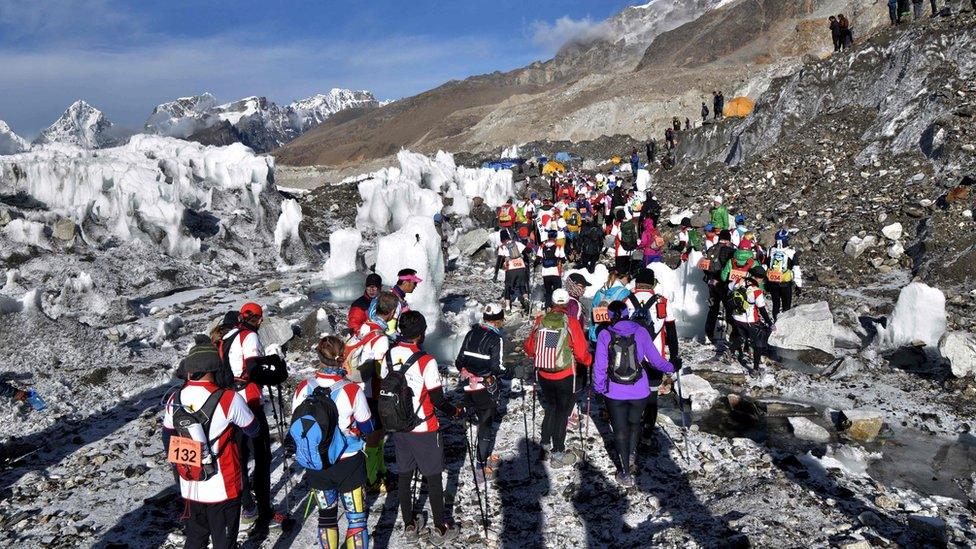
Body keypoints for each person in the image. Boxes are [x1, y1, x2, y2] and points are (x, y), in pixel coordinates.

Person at [163, 337, 260, 549]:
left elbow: (168, 437)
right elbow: (254, 429)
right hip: (223, 486)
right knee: (224, 543)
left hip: (191, 484)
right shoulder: (228, 399)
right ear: (215, 368)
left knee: (195, 539)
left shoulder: (174, 398)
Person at [383, 311, 462, 545]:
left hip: (398, 426)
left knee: (405, 476)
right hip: (424, 427)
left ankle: (409, 524)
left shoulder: (389, 354)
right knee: (434, 477)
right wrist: (455, 412)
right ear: (421, 334)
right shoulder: (426, 361)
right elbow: (438, 399)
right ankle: (440, 527)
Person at [290, 336, 373, 549]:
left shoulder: (302, 388)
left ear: (318, 357)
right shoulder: (352, 390)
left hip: (316, 461)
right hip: (348, 461)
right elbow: (367, 426)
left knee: (326, 517)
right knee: (356, 519)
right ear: (342, 357)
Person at [218, 302, 287, 530]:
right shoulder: (249, 337)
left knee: (239, 455)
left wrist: (267, 361)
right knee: (262, 455)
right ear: (258, 319)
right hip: (249, 401)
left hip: (229, 401)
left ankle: (247, 506)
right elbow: (252, 369)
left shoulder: (228, 336)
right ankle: (265, 511)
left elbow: (239, 365)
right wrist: (276, 374)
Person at [593, 301, 675, 486]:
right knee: (634, 423)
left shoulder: (605, 334)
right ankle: (632, 456)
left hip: (613, 391)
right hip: (639, 390)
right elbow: (655, 361)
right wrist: (673, 366)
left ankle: (624, 473)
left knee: (620, 430)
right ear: (627, 313)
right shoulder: (640, 331)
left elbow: (599, 367)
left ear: (610, 316)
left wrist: (599, 389)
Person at [524, 289, 593, 467]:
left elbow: (530, 348)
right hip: (565, 375)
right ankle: (558, 452)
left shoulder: (540, 321)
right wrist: (588, 361)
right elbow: (580, 351)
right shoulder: (570, 322)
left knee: (551, 407)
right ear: (567, 303)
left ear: (552, 302)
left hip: (544, 374)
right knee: (562, 412)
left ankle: (545, 444)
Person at [625, 269, 681, 450]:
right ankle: (647, 435)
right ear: (652, 283)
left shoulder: (626, 300)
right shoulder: (662, 301)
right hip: (654, 356)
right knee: (651, 396)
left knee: (631, 392)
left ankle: (629, 430)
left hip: (630, 354)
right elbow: (671, 332)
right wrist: (674, 357)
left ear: (637, 282)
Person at [351, 291, 399, 492]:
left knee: (376, 433)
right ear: (391, 312)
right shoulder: (381, 338)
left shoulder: (365, 327)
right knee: (375, 434)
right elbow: (381, 371)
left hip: (359, 387)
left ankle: (379, 470)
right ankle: (372, 478)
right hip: (373, 392)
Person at [455, 304, 507, 486]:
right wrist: (509, 371)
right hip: (485, 388)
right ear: (499, 320)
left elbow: (459, 361)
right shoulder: (496, 338)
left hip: (469, 387)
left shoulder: (471, 334)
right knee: (485, 427)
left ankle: (478, 458)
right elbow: (496, 368)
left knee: (476, 419)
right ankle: (480, 467)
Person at [729, 267, 773, 373]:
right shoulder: (756, 291)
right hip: (750, 320)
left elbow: (730, 287)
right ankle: (755, 369)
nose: (762, 281)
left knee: (741, 337)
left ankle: (729, 352)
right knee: (758, 343)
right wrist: (770, 323)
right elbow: (762, 309)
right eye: (762, 278)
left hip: (736, 317)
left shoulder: (739, 281)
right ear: (758, 278)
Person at [701, 229, 736, 345]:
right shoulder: (730, 251)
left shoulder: (711, 248)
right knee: (729, 309)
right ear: (728, 240)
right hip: (723, 284)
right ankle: (729, 335)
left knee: (713, 309)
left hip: (711, 283)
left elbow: (705, 267)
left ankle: (708, 334)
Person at [765, 229, 803, 320]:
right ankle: (785, 326)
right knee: (786, 306)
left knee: (776, 305)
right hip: (785, 283)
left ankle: (776, 323)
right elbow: (796, 269)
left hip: (773, 282)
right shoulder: (791, 252)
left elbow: (765, 266)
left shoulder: (770, 251)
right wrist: (799, 285)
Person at [589, 269, 631, 343]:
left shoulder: (600, 291)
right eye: (629, 279)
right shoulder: (625, 293)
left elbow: (592, 313)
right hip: (614, 337)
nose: (628, 282)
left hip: (597, 334)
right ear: (624, 277)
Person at [496, 231, 530, 313]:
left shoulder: (502, 247)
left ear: (501, 239)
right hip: (521, 267)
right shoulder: (517, 243)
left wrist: (496, 273)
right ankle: (526, 299)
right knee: (522, 285)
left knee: (507, 287)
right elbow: (527, 251)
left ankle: (508, 308)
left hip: (511, 269)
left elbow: (499, 262)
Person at [539, 230, 566, 309]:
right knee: (557, 291)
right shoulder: (558, 246)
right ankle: (557, 309)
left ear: (548, 237)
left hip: (545, 273)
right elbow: (563, 259)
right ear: (556, 237)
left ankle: (548, 306)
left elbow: (538, 258)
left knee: (548, 291)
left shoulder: (542, 247)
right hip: (555, 272)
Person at [609, 210, 636, 275]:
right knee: (627, 268)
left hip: (620, 250)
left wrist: (608, 246)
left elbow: (612, 236)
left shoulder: (616, 224)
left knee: (620, 270)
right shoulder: (630, 223)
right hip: (629, 249)